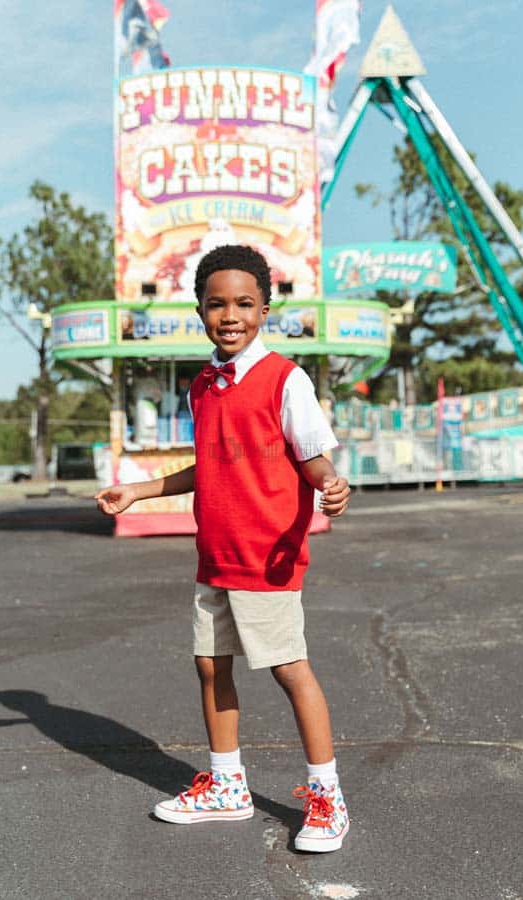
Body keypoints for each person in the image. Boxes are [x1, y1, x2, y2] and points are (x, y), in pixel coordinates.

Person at [95, 245, 351, 853]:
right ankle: (229, 786)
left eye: (243, 303)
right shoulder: (204, 385)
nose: (229, 314)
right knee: (211, 667)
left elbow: (311, 456)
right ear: (200, 309)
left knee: (291, 671)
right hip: (216, 554)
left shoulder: (286, 379)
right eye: (216, 303)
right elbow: (207, 466)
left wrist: (331, 487)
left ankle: (327, 795)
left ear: (266, 308)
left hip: (267, 556)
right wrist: (141, 489)